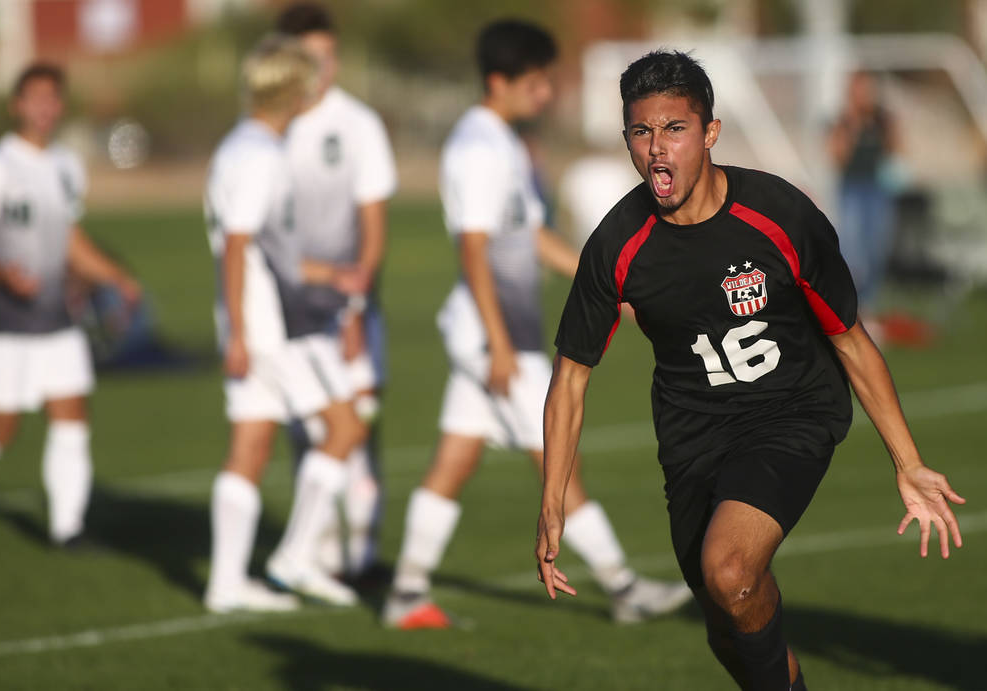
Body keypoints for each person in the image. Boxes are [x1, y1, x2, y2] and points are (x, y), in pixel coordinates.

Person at [535, 50, 965, 691]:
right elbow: (570, 376)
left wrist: (907, 462)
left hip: (792, 411)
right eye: (641, 132)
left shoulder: (780, 215)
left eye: (674, 129)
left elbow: (849, 339)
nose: (657, 150)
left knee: (730, 570)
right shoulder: (617, 245)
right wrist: (551, 501)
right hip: (692, 435)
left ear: (709, 132)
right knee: (726, 615)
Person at [382, 20, 691, 630]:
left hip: (495, 333)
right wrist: (499, 345)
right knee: (559, 460)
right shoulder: (477, 147)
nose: (546, 93)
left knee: (455, 459)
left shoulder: (503, 143)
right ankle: (625, 588)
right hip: (496, 336)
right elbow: (474, 249)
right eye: (536, 81)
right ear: (500, 81)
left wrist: (612, 283)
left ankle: (405, 594)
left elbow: (531, 237)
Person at [0, 63, 142, 553]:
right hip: (4, 321)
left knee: (72, 416)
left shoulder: (66, 167)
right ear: (17, 105)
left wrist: (114, 276)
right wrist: (5, 274)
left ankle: (67, 528)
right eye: (36, 98)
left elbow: (69, 238)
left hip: (57, 318)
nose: (45, 107)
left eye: (53, 98)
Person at [202, 35, 366, 613]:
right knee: (345, 427)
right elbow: (238, 246)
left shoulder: (242, 147)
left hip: (254, 324)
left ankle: (225, 585)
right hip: (271, 330)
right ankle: (294, 558)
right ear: (291, 89)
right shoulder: (259, 156)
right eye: (309, 78)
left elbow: (267, 248)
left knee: (250, 444)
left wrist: (331, 273)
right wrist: (245, 335)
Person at [273, 2, 398, 583]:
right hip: (283, 312)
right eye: (307, 57)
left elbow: (372, 223)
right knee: (308, 432)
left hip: (348, 309)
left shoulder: (359, 124)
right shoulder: (269, 127)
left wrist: (354, 307)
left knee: (359, 425)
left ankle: (362, 556)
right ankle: (315, 553)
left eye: (328, 55)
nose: (321, 67)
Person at [828, 72, 899, 315]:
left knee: (876, 245)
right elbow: (838, 158)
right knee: (852, 247)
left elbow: (895, 150)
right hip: (852, 189)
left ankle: (869, 302)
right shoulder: (844, 121)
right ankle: (850, 302)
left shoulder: (882, 120)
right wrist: (854, 126)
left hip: (877, 188)